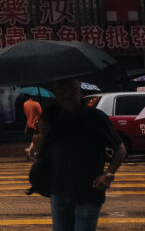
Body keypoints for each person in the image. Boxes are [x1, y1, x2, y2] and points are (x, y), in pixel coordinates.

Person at [29, 78, 126, 231]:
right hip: (59, 191)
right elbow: (38, 148)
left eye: (71, 89)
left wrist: (108, 175)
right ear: (57, 93)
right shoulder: (51, 116)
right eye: (62, 90)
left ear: (80, 92)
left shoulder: (96, 117)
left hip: (88, 192)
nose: (66, 94)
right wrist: (39, 138)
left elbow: (120, 149)